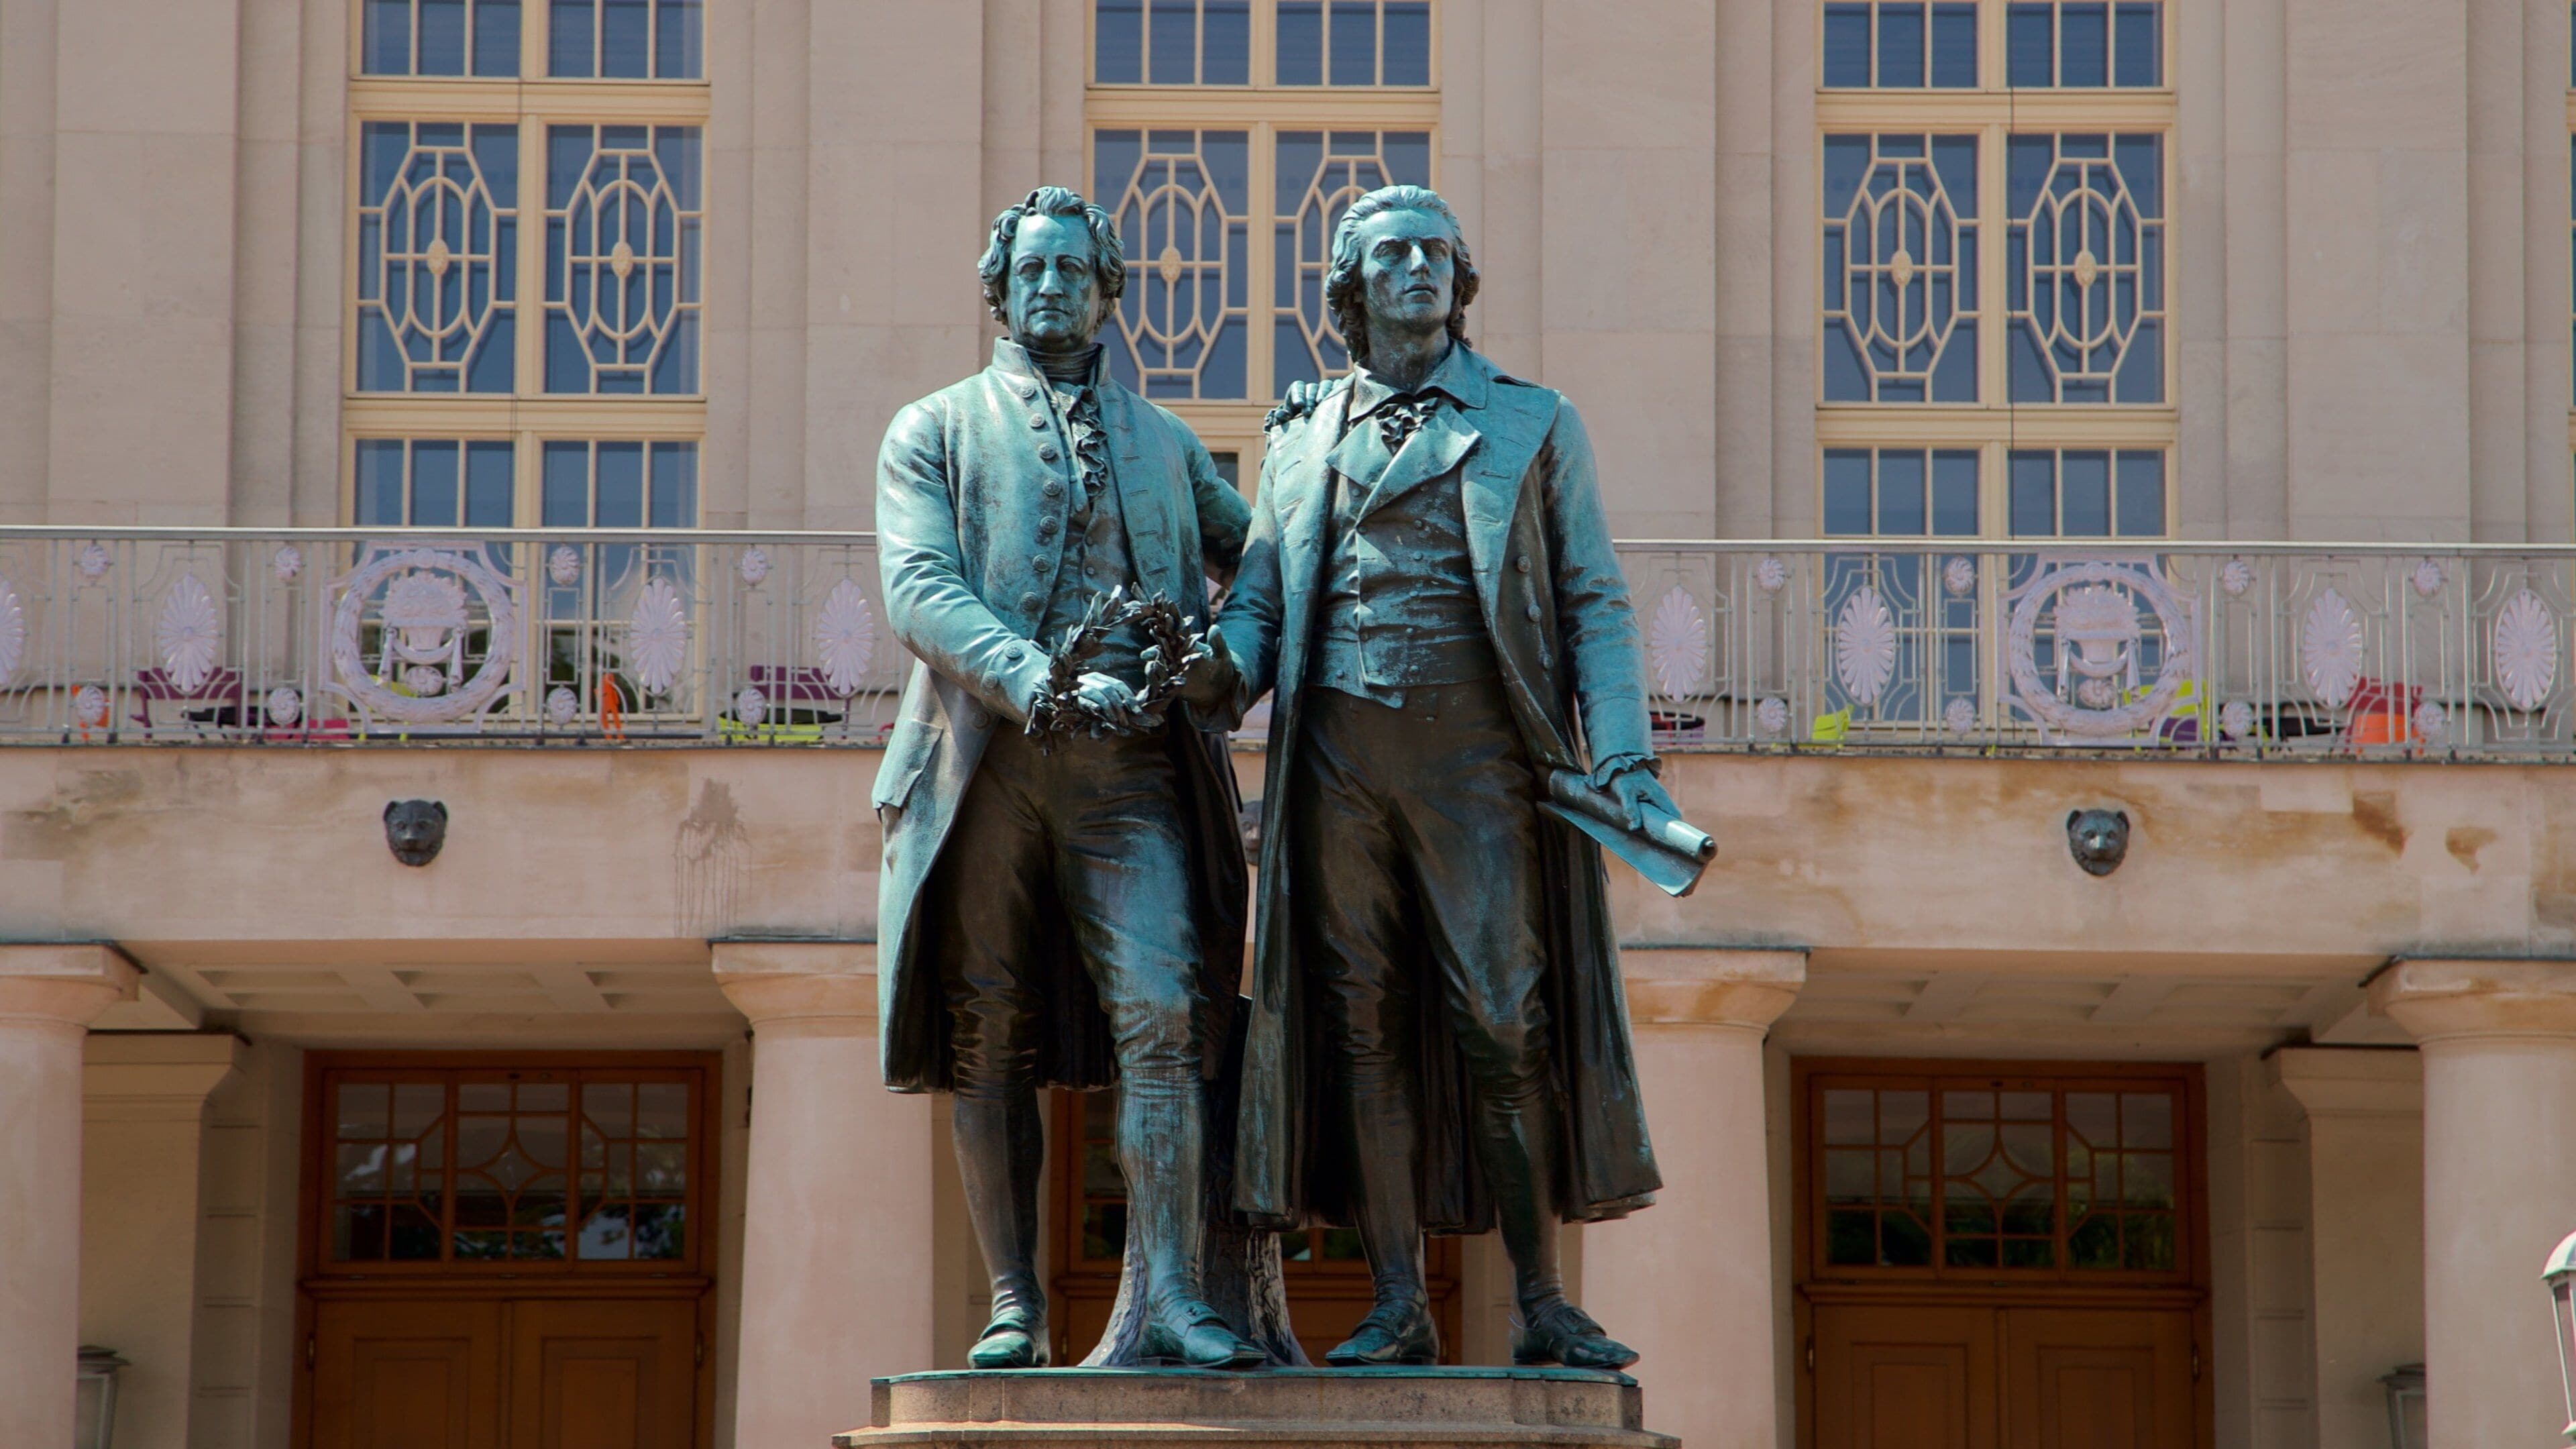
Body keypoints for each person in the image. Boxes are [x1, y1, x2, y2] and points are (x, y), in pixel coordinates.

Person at [1220, 185, 1672, 1369]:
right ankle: (1395, 1303)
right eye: (1390, 254)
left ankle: (1541, 1300)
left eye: (1436, 253)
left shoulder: (1534, 421)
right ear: (1351, 287)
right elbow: (1258, 609)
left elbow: (1596, 604)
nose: (1417, 268)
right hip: (1336, 770)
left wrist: (1622, 753)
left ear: (1461, 281)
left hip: (1477, 765)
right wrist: (1196, 679)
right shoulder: (1298, 435)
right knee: (1361, 1030)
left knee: (1500, 1020)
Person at [872, 186, 1259, 1370]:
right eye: (1030, 271)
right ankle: (1014, 1302)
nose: (1050, 289)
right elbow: (920, 590)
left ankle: (1179, 1297)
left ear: (1107, 291)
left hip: (1132, 774)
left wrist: (1220, 666)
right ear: (999, 291)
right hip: (985, 767)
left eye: (1072, 272)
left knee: (1164, 1014)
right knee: (990, 1034)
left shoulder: (1168, 441)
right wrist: (1035, 678)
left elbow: (1266, 569)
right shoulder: (930, 428)